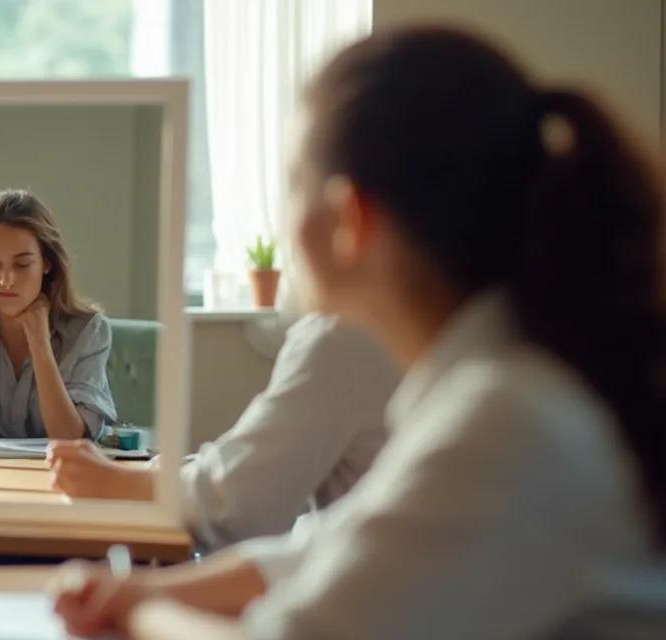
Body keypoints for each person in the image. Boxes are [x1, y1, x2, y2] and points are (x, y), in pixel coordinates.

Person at [54, 27, 666, 638]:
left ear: (350, 218)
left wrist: (133, 610)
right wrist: (146, 592)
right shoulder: (502, 383)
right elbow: (325, 549)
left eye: (293, 185)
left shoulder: (500, 418)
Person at [48, 313, 398, 551]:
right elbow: (261, 482)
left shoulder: (341, 338)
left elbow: (237, 503)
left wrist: (120, 483)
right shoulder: (384, 331)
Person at [0, 190, 117, 445]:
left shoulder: (88, 331)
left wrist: (40, 346)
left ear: (46, 263)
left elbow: (69, 439)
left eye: (22, 264)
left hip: (62, 469)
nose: (6, 280)